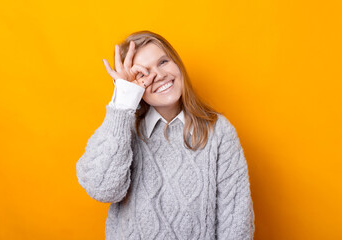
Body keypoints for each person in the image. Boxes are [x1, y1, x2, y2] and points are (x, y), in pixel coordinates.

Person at [76, 30, 255, 239]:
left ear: (177, 63)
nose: (159, 75)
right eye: (143, 73)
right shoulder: (123, 131)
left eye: (163, 62)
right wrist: (123, 100)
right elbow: (103, 189)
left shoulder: (219, 132)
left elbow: (236, 222)